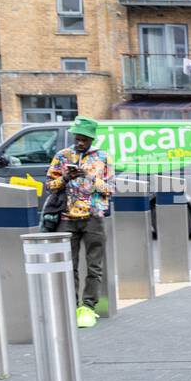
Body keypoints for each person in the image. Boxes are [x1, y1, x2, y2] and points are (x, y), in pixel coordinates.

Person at [45, 116, 114, 329]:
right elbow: (49, 186)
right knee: (69, 265)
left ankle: (89, 307)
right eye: (78, 138)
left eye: (84, 139)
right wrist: (65, 178)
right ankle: (72, 305)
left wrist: (89, 177)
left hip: (94, 217)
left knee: (94, 266)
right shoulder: (62, 156)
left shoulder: (103, 157)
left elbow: (110, 189)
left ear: (92, 139)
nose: (80, 142)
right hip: (66, 218)